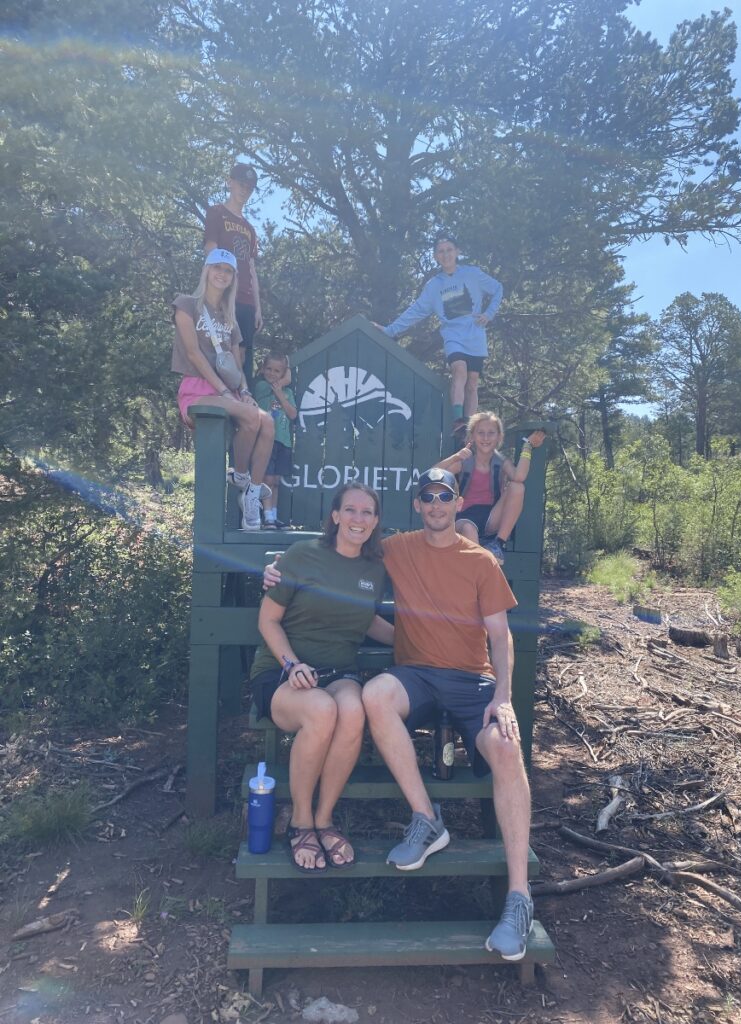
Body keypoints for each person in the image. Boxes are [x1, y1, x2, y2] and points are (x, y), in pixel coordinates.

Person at [264, 468, 534, 960]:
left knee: (505, 746)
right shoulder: (395, 547)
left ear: (457, 504)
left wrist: (505, 695)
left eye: (445, 497)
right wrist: (277, 566)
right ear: (416, 506)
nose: (436, 505)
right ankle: (426, 817)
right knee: (375, 695)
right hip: (417, 676)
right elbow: (341, 549)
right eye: (427, 497)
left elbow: (500, 635)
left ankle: (518, 896)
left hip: (474, 680)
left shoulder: (481, 562)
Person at [252, 483, 394, 872]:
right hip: (282, 674)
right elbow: (268, 619)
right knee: (321, 709)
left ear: (376, 521)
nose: (358, 519)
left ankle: (324, 819)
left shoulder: (374, 569)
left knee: (351, 709)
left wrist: (420, 643)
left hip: (339, 673)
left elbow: (368, 621)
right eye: (350, 510)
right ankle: (300, 821)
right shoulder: (301, 556)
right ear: (334, 516)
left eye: (367, 512)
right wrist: (291, 665)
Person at [171, 248, 274, 531]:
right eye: (217, 267)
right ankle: (241, 476)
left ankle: (251, 491)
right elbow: (193, 354)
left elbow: (236, 365)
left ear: (233, 278)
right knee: (251, 418)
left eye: (227, 271)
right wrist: (226, 393)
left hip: (228, 390)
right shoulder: (186, 304)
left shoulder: (229, 318)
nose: (221, 274)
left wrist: (245, 392)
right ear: (206, 270)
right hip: (198, 388)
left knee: (267, 421)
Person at [376, 235, 503, 442]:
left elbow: (498, 289)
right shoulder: (434, 286)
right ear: (436, 256)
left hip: (475, 335)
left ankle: (470, 428)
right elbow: (415, 311)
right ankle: (458, 422)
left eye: (449, 249)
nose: (446, 254)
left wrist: (489, 313)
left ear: (457, 252)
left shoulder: (472, 273)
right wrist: (390, 330)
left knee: (472, 382)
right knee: (459, 368)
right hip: (453, 336)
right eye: (441, 251)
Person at [435, 413, 546, 563]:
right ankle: (478, 572)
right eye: (480, 433)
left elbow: (519, 476)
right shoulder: (465, 461)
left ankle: (497, 544)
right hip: (465, 517)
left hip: (491, 518)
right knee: (469, 529)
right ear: (472, 436)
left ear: (499, 437)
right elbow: (433, 475)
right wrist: (456, 457)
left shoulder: (500, 462)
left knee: (517, 487)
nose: (486, 438)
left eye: (491, 433)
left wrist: (528, 446)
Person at [204, 163, 263, 390]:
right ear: (230, 182)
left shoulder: (250, 229)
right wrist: (213, 294)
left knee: (244, 354)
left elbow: (251, 268)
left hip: (247, 301)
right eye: (241, 184)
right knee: (220, 348)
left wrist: (258, 307)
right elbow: (210, 250)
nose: (244, 191)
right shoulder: (216, 213)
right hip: (223, 295)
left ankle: (244, 404)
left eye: (250, 187)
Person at [253, 352, 297, 529]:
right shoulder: (262, 387)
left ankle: (274, 516)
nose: (272, 373)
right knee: (267, 479)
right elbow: (282, 380)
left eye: (277, 371)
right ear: (263, 369)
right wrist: (279, 385)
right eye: (269, 369)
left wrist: (280, 394)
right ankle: (267, 517)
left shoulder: (287, 392)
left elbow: (293, 414)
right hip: (267, 440)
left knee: (276, 481)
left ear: (283, 373)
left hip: (283, 442)